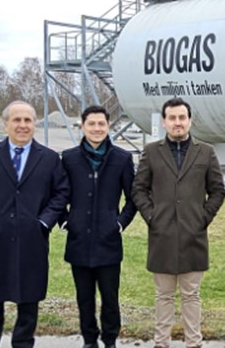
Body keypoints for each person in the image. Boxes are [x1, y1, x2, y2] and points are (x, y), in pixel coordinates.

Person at [0, 100, 70, 348]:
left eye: (28, 120)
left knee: (28, 304)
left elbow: (61, 193)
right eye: (17, 120)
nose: (22, 125)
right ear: (6, 124)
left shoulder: (50, 159)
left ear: (34, 124)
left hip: (33, 241)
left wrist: (44, 222)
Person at [131, 97, 225, 348]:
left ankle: (193, 342)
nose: (177, 123)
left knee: (191, 295)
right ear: (164, 122)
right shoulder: (152, 152)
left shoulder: (205, 152)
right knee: (163, 295)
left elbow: (218, 190)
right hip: (161, 236)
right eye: (172, 118)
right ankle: (161, 342)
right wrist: (152, 217)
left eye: (182, 118)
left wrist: (203, 218)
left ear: (190, 120)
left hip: (193, 236)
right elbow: (139, 190)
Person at [60, 105, 138, 348]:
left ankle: (110, 339)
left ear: (108, 126)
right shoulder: (69, 158)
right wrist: (65, 221)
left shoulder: (121, 159)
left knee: (110, 298)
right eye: (91, 124)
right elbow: (58, 194)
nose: (96, 129)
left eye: (101, 124)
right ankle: (89, 340)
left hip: (108, 241)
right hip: (78, 240)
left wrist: (119, 224)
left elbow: (133, 197)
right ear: (82, 126)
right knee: (84, 298)